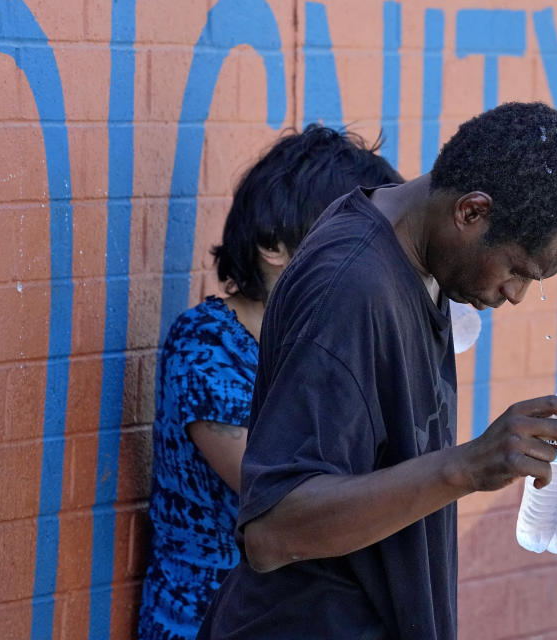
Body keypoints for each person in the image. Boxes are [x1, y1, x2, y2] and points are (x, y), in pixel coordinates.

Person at [198, 101, 557, 640]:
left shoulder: (423, 261)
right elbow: (273, 530)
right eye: (516, 269)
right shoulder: (350, 287)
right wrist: (465, 467)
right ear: (470, 212)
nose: (515, 295)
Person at [138, 124, 404, 640]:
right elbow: (287, 500)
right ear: (273, 245)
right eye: (351, 239)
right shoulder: (208, 345)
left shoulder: (330, 341)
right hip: (208, 621)